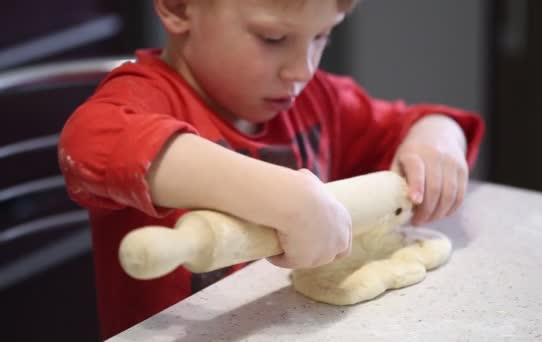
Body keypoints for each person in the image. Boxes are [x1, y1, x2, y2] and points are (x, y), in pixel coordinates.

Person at [59, 0, 484, 338]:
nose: (302, 70)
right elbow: (91, 140)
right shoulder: (146, 98)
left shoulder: (319, 101)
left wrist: (437, 140)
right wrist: (278, 197)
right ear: (180, 7)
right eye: (273, 38)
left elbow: (418, 121)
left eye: (321, 36)